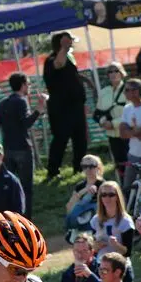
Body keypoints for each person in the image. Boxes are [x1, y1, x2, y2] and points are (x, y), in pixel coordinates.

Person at [0, 72, 45, 210]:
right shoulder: (21, 101)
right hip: (23, 149)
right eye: (28, 84)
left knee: (7, 186)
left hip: (7, 150)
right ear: (22, 85)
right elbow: (26, 123)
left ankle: (7, 215)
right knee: (26, 188)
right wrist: (38, 110)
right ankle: (26, 219)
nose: (29, 87)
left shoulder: (2, 103)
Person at [43, 31, 89, 179]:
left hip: (76, 106)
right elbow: (58, 64)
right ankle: (53, 171)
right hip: (61, 108)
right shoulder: (51, 59)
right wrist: (63, 47)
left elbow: (69, 75)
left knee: (80, 138)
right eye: (69, 42)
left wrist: (86, 81)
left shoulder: (69, 57)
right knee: (60, 138)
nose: (72, 44)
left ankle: (79, 168)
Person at [90, 181, 136, 282]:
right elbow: (93, 249)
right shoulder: (95, 220)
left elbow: (127, 252)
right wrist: (96, 246)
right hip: (101, 269)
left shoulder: (125, 221)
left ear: (117, 197)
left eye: (111, 195)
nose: (107, 198)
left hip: (120, 270)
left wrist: (116, 245)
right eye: (103, 195)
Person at [94, 62, 129, 178]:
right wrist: (103, 122)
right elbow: (98, 113)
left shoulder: (129, 90)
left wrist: (113, 124)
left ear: (122, 73)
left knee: (130, 162)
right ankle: (124, 186)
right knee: (119, 164)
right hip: (112, 135)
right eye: (110, 71)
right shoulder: (103, 92)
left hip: (128, 133)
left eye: (116, 71)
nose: (113, 74)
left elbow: (131, 113)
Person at [65, 155, 105, 240]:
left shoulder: (103, 184)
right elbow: (69, 207)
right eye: (85, 166)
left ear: (98, 167)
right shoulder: (80, 186)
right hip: (81, 219)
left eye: (91, 166)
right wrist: (85, 190)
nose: (88, 169)